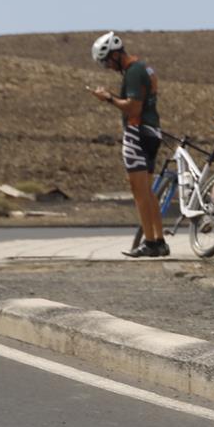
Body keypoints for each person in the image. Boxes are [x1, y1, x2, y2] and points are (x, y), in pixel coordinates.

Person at [89, 32, 168, 258]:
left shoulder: (133, 72)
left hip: (136, 132)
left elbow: (133, 107)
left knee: (139, 191)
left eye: (106, 62)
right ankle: (159, 240)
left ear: (115, 55)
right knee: (149, 192)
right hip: (152, 131)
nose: (107, 67)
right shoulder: (144, 68)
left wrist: (108, 98)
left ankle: (150, 242)